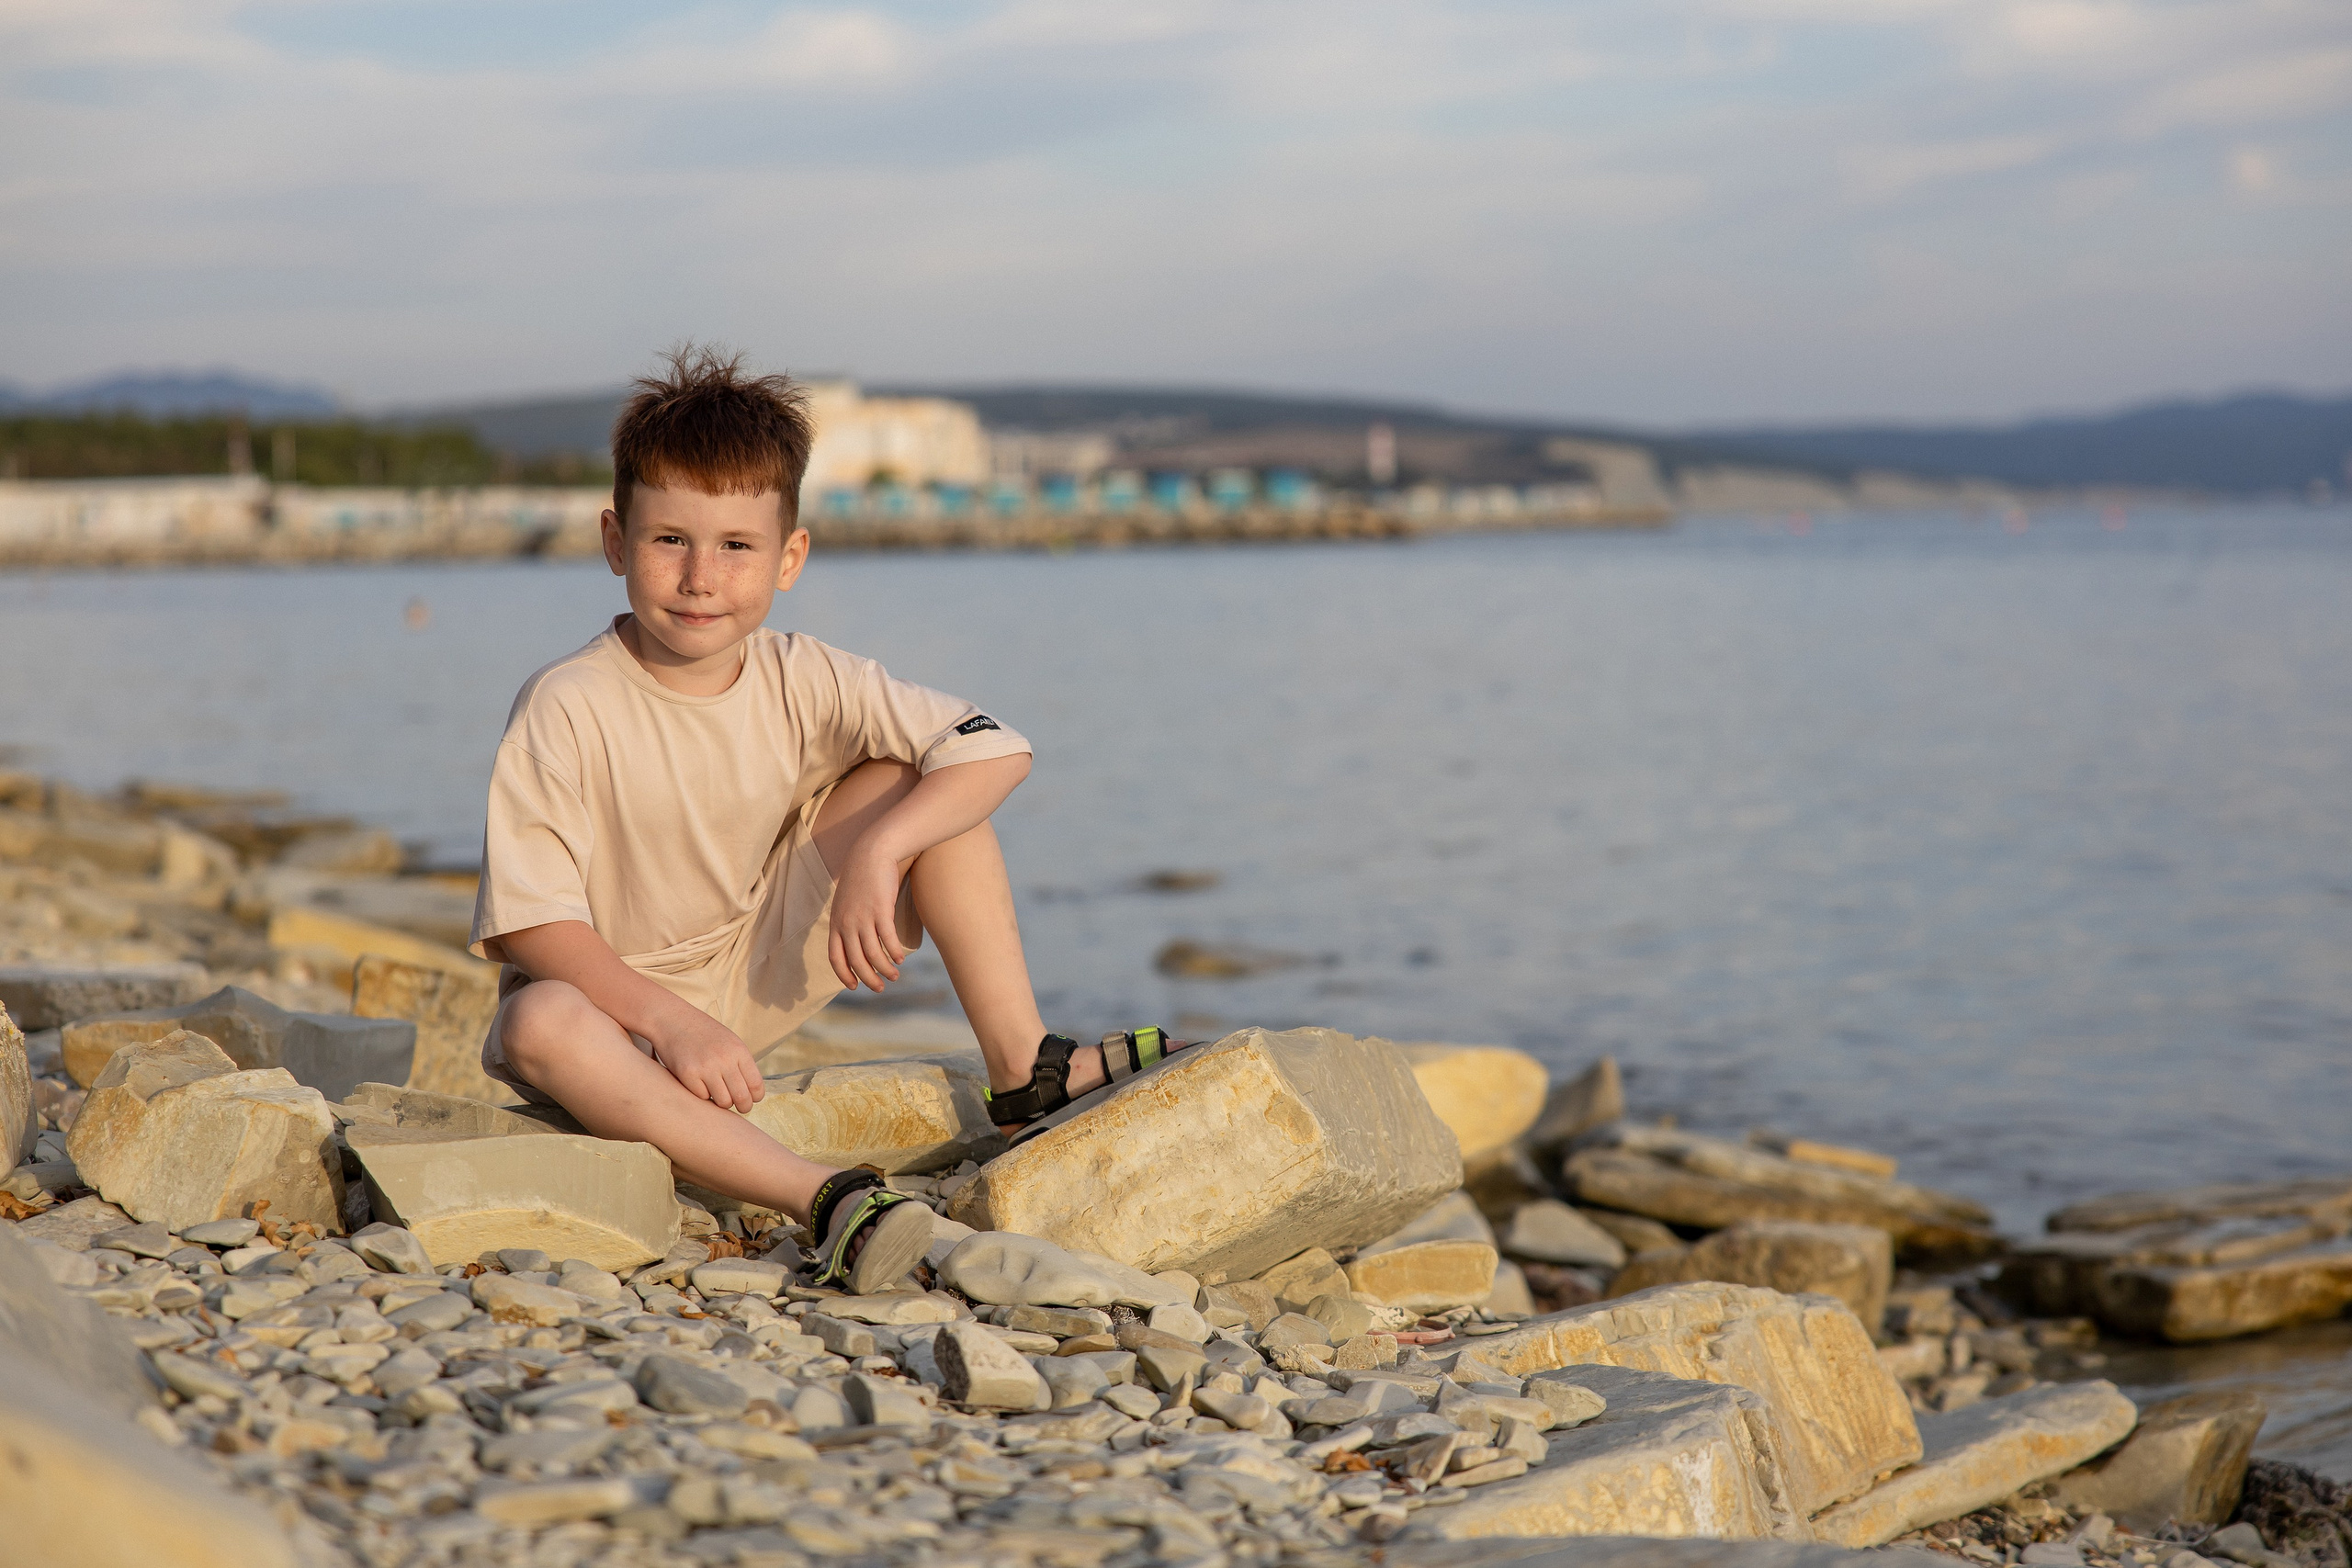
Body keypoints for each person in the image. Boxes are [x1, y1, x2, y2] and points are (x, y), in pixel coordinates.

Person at [469, 347, 1190, 1295]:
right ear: (615, 542)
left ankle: (1024, 1070)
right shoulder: (568, 701)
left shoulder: (802, 673)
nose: (700, 577)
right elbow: (529, 919)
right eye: (668, 540)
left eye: (736, 547)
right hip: (621, 1013)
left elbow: (994, 744)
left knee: (928, 788)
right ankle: (828, 1200)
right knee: (538, 1021)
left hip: (755, 964)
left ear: (789, 557)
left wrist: (879, 854)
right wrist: (672, 1024)